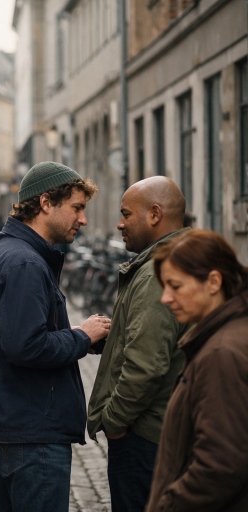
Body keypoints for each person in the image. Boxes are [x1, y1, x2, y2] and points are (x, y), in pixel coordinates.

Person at [0, 162, 110, 512]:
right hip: (31, 432)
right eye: (77, 208)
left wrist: (77, 335)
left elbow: (19, 333)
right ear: (45, 204)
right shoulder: (24, 262)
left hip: (14, 425)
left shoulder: (10, 250)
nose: (83, 220)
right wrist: (82, 337)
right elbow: (26, 346)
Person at [86, 176, 190, 512]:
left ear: (155, 214)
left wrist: (114, 424)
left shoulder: (156, 272)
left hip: (145, 438)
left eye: (126, 214)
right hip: (158, 431)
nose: (119, 224)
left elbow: (146, 365)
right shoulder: (175, 260)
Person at [146, 230, 248, 512]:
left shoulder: (221, 353)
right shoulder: (226, 335)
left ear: (213, 282)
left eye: (175, 286)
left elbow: (220, 464)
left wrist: (167, 505)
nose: (165, 298)